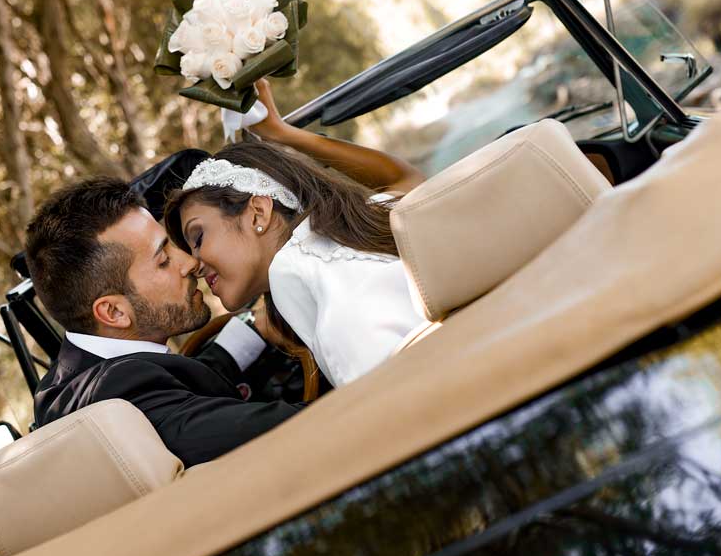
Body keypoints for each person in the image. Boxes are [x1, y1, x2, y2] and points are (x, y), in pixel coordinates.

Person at [164, 80, 428, 389]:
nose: (194, 263)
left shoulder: (333, 297)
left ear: (258, 213)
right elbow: (404, 178)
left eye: (197, 238)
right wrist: (281, 133)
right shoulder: (362, 228)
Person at [24, 177, 303, 467]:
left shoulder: (62, 385)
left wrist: (253, 328)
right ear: (114, 312)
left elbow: (180, 381)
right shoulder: (124, 403)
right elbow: (287, 428)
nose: (190, 263)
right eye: (163, 260)